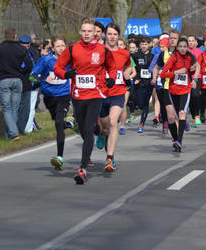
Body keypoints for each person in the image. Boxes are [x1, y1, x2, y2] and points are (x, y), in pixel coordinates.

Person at [54, 18, 117, 184]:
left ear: (94, 33)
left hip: (95, 94)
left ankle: (82, 169)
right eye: (85, 31)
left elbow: (112, 67)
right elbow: (58, 67)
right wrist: (66, 74)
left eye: (90, 31)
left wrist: (110, 79)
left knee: (88, 129)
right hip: (77, 95)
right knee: (83, 129)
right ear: (80, 32)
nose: (87, 33)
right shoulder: (72, 49)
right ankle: (95, 131)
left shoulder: (103, 50)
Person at [30, 34, 74, 170]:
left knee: (58, 123)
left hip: (64, 95)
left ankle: (59, 157)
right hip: (49, 97)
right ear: (53, 48)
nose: (61, 48)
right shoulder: (46, 60)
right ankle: (70, 123)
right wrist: (43, 80)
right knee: (59, 122)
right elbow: (32, 76)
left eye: (62, 45)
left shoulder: (70, 60)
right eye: (58, 46)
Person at [97, 23, 134, 171]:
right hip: (101, 94)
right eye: (110, 34)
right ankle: (101, 133)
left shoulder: (124, 53)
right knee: (105, 128)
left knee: (113, 122)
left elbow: (129, 66)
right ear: (105, 35)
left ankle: (110, 159)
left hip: (118, 93)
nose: (112, 37)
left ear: (118, 36)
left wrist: (128, 73)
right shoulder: (98, 51)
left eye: (115, 34)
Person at [160, 38, 200, 152]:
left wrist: (194, 79)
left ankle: (180, 141)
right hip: (173, 90)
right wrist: (176, 72)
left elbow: (197, 67)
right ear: (177, 48)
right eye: (180, 46)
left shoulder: (190, 57)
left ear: (187, 47)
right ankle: (175, 139)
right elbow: (163, 74)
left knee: (182, 112)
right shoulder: (173, 58)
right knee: (172, 117)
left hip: (185, 90)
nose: (183, 48)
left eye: (184, 46)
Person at [133, 36, 155, 132]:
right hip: (139, 83)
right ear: (140, 45)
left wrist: (153, 79)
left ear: (149, 45)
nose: (144, 46)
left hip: (149, 83)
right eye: (142, 44)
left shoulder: (152, 57)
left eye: (146, 44)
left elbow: (155, 69)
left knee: (145, 103)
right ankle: (137, 108)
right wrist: (136, 78)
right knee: (140, 103)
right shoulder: (135, 55)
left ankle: (141, 124)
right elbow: (132, 68)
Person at [17, 35, 35, 134]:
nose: (26, 48)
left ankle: (21, 129)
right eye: (24, 46)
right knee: (23, 108)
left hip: (28, 82)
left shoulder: (30, 54)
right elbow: (24, 67)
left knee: (25, 108)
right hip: (23, 82)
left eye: (27, 46)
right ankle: (19, 130)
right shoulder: (21, 55)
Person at [188, 35, 203, 127]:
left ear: (196, 42)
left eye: (192, 41)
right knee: (189, 98)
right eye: (189, 41)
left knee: (196, 96)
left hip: (197, 76)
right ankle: (193, 117)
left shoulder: (200, 52)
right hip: (187, 77)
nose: (191, 42)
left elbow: (201, 64)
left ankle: (197, 116)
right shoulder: (185, 52)